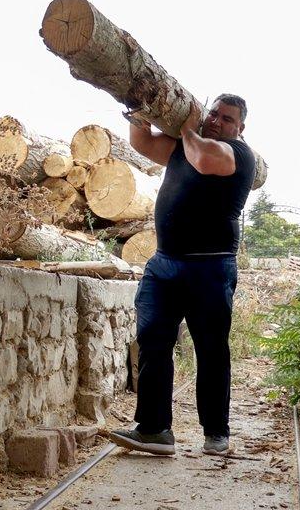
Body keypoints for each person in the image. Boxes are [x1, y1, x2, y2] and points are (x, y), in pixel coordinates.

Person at [108, 95, 256, 456]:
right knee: (153, 341)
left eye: (227, 118)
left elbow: (204, 158)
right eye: (213, 113)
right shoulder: (182, 146)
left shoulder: (239, 154)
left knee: (210, 349)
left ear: (240, 128)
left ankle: (216, 432)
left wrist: (189, 126)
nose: (217, 121)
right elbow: (141, 142)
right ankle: (155, 429)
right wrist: (137, 106)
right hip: (164, 264)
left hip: (210, 266)